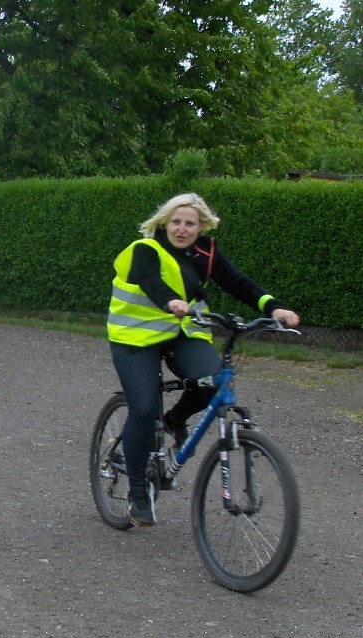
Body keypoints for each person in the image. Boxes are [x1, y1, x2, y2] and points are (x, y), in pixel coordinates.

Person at [107, 193, 300, 527]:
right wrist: (170, 301)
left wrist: (274, 307)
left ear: (201, 227)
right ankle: (138, 490)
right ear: (166, 222)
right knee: (141, 407)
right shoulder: (146, 248)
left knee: (213, 381)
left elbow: (238, 283)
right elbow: (148, 280)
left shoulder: (206, 253)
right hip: (135, 337)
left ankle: (174, 421)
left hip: (183, 332)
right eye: (177, 222)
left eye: (190, 224)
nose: (182, 229)